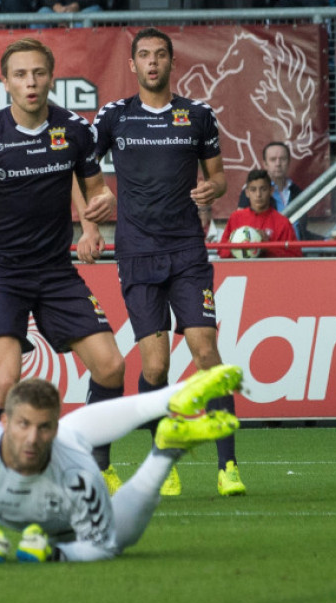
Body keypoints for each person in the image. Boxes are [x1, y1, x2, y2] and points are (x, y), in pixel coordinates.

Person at [0, 37, 126, 493]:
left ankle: (95, 465)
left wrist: (96, 218)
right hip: (2, 271)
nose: (31, 82)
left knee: (111, 368)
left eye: (38, 73)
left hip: (57, 271)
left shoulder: (74, 130)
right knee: (4, 380)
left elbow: (95, 189)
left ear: (51, 77)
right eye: (20, 75)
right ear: (5, 83)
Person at [90, 27, 245, 497]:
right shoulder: (114, 117)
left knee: (205, 353)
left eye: (160, 55)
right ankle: (163, 462)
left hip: (187, 252)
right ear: (133, 65)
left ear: (171, 63)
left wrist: (211, 189)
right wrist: (91, 218)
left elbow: (218, 177)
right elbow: (83, 171)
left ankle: (228, 466)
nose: (152, 62)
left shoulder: (197, 115)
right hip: (137, 253)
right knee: (155, 368)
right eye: (144, 56)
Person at [0, 365, 243, 565]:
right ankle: (173, 396)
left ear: (54, 429)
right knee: (72, 434)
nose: (32, 438)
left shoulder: (78, 473)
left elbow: (102, 547)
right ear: (3, 422)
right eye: (23, 425)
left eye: (44, 427)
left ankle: (165, 452)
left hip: (69, 527)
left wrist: (55, 554)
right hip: (59, 452)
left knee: (119, 538)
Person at [235, 141, 322, 241]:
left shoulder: (296, 191)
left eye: (282, 159)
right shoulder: (253, 190)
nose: (278, 164)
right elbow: (241, 228)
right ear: (265, 164)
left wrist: (326, 240)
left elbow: (300, 232)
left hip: (296, 253)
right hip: (269, 253)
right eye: (273, 160)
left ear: (289, 162)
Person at [220, 169, 302, 259]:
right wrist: (239, 244)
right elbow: (221, 251)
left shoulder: (282, 223)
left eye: (263, 189)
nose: (258, 194)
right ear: (247, 193)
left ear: (271, 191)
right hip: (241, 271)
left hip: (271, 271)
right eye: (253, 190)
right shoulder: (235, 218)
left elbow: (295, 257)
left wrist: (267, 247)